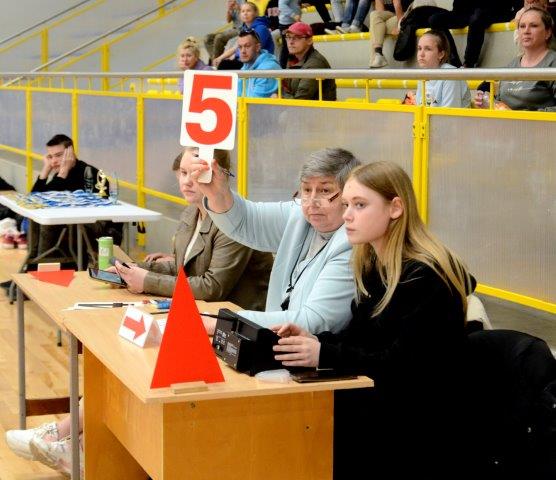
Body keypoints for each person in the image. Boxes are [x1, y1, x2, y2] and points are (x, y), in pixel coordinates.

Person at [272, 161, 474, 476]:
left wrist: (324, 354)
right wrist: (315, 341)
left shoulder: (426, 277)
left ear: (395, 208)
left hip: (415, 430)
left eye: (360, 205)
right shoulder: (373, 265)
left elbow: (402, 366)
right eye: (346, 205)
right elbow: (361, 340)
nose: (347, 215)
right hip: (384, 409)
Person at [189, 147, 361, 335]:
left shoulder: (351, 243)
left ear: (350, 196)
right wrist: (218, 194)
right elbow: (247, 221)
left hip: (310, 349)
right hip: (276, 342)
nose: (312, 201)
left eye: (325, 190)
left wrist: (225, 322)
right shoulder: (299, 215)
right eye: (306, 189)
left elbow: (314, 320)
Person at [111, 148, 273, 311]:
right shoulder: (191, 212)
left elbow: (212, 288)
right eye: (183, 173)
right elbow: (182, 269)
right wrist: (131, 270)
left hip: (237, 319)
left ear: (218, 175)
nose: (186, 181)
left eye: (196, 174)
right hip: (203, 311)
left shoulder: (233, 219)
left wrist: (147, 281)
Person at [28, 134, 122, 267]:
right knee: (35, 218)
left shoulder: (90, 173)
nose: (53, 161)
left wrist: (62, 173)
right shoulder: (61, 175)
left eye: (58, 155)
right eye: (50, 157)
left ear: (70, 153)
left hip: (97, 224)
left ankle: (42, 268)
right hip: (72, 222)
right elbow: (34, 200)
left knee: (49, 223)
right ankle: (32, 266)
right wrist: (46, 170)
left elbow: (96, 212)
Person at [475, 7, 556, 111]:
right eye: (522, 26)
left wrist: (523, 116)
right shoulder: (512, 65)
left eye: (534, 26)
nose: (526, 31)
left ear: (548, 32)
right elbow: (502, 104)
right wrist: (489, 103)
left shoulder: (552, 62)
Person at [429, 0, 521, 68]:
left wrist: (517, 13)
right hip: (466, 13)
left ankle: (468, 64)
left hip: (495, 11)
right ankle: (453, 63)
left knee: (477, 17)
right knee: (435, 19)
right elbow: (458, 8)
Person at [404, 30, 471, 107]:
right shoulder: (422, 75)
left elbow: (449, 113)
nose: (421, 54)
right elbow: (420, 108)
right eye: (419, 48)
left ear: (441, 54)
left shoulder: (451, 74)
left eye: (428, 49)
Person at [281, 22, 337, 100]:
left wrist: (280, 95)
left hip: (318, 108)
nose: (290, 42)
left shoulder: (315, 64)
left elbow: (300, 100)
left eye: (297, 37)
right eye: (288, 37)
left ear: (309, 40)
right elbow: (286, 89)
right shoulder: (293, 59)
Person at [214, 2, 275, 69]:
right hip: (247, 61)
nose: (245, 13)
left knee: (224, 65)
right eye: (243, 11)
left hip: (260, 62)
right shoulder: (244, 29)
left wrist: (235, 56)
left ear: (255, 13)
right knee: (222, 62)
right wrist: (220, 58)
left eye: (248, 11)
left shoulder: (261, 28)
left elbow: (254, 50)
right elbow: (235, 47)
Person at [237, 29, 281, 98]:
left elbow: (255, 102)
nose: (243, 51)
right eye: (240, 47)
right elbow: (236, 95)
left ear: (257, 47)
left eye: (247, 46)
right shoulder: (245, 67)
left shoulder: (268, 69)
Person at [369, 0, 412, 68]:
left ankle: (375, 61)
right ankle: (378, 53)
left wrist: (400, 26)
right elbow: (380, 12)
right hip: (391, 16)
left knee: (375, 27)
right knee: (374, 16)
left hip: (404, 16)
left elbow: (397, 5)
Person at [204, 0, 245, 64]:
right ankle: (216, 61)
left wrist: (239, 8)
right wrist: (229, 10)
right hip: (234, 28)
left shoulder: (243, 2)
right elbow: (228, 20)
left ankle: (215, 64)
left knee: (219, 37)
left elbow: (246, 19)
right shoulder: (232, 2)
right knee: (207, 38)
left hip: (241, 29)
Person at [278, 0, 302, 68]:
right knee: (286, 47)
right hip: (287, 24)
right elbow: (281, 5)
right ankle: (281, 69)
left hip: (292, 23)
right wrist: (293, 15)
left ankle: (295, 66)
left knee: (294, 46)